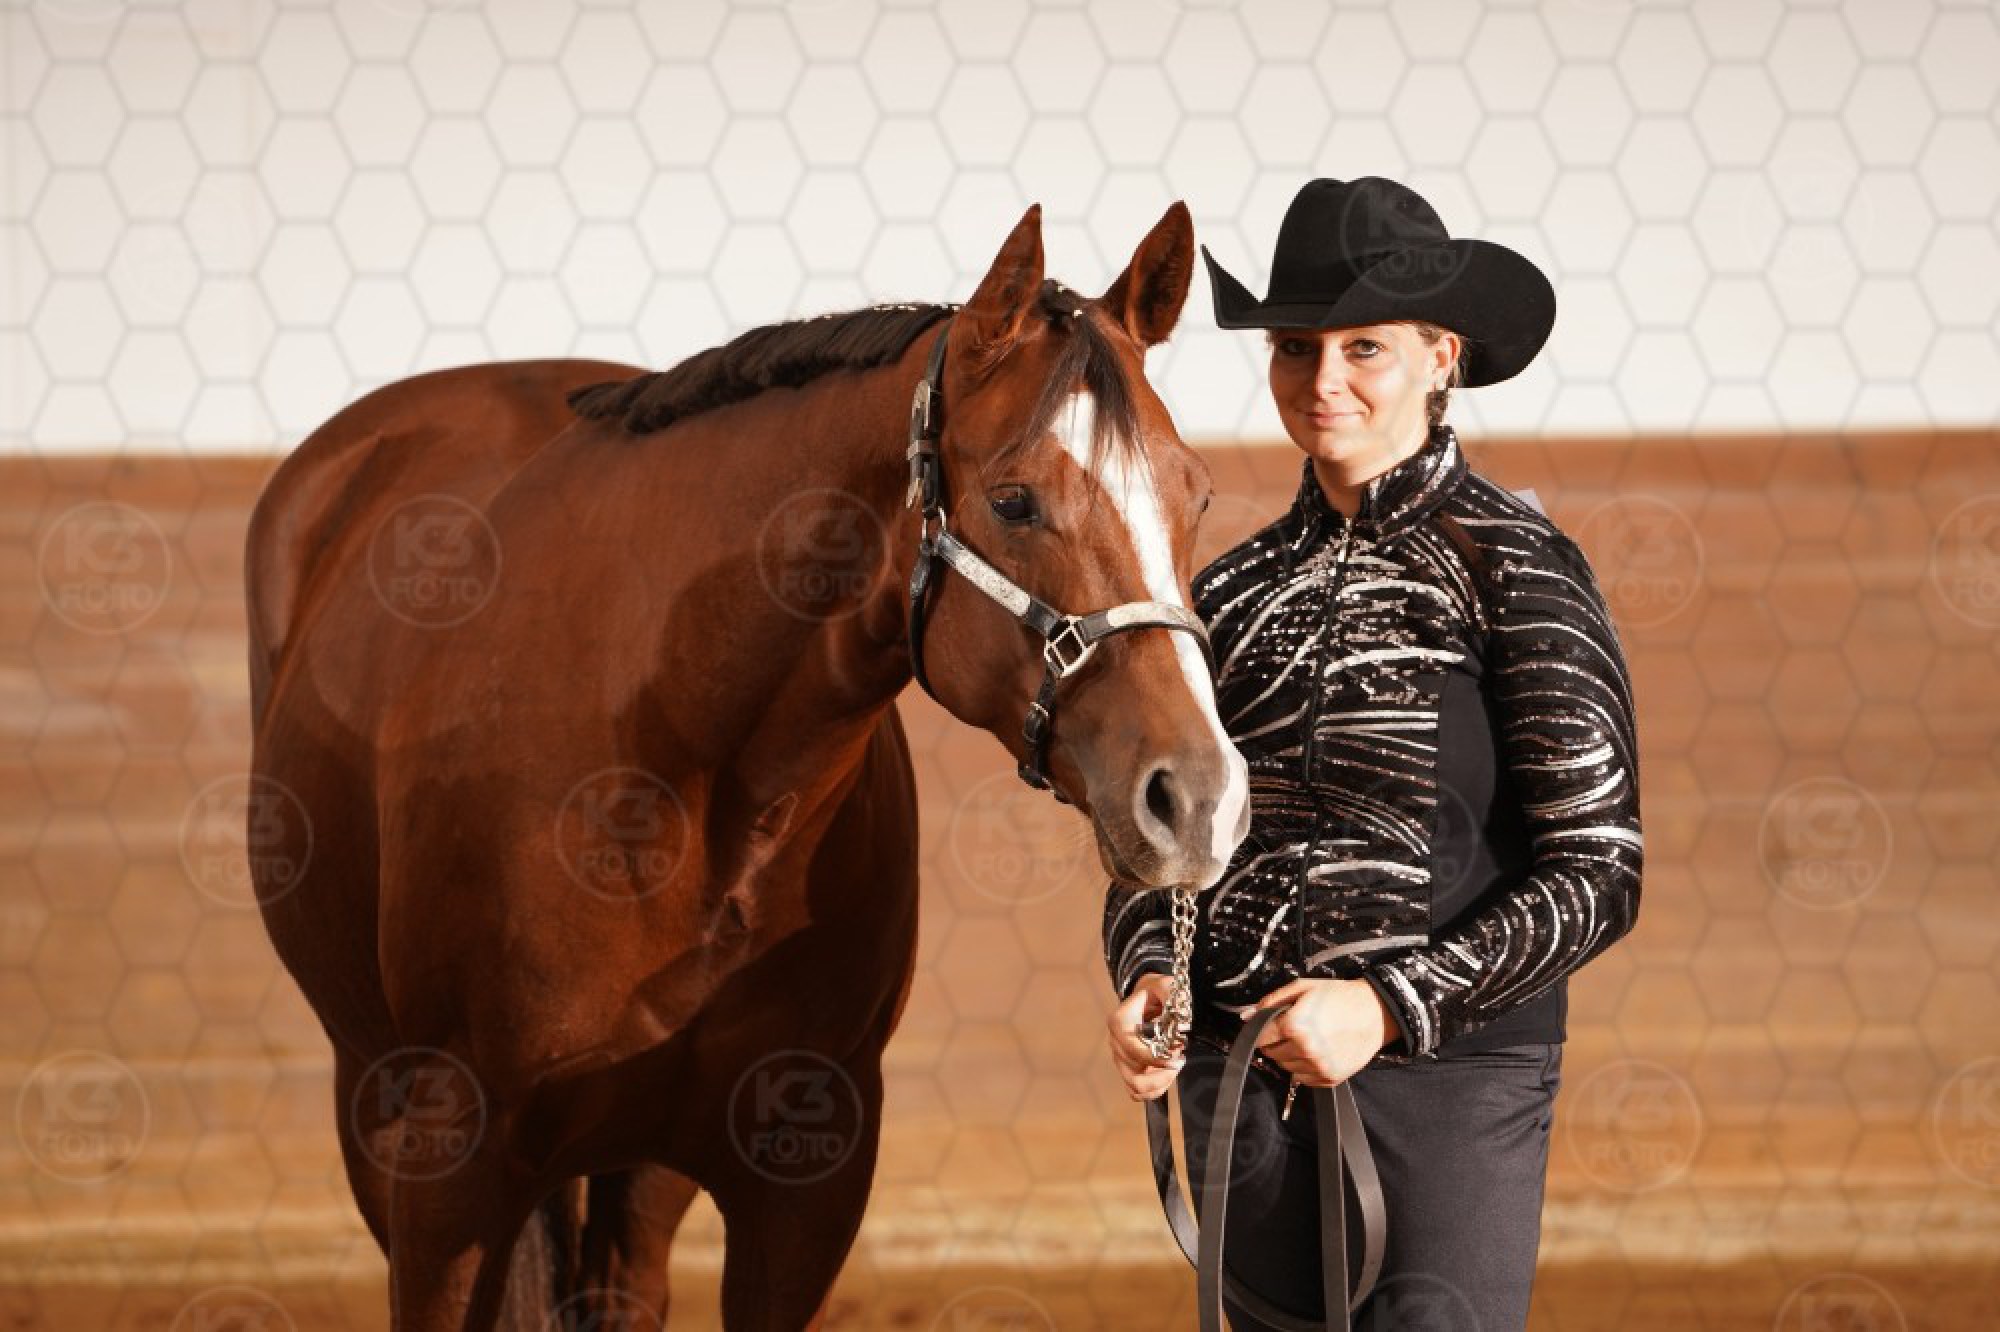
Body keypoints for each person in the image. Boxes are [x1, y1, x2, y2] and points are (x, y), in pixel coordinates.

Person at [1100, 177, 1644, 1331]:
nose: (1321, 381)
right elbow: (1169, 849)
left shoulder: (1514, 566)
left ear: (1441, 356)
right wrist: (1151, 975)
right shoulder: (1229, 594)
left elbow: (1599, 870)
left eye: (1364, 348)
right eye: (1294, 347)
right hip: (1242, 1085)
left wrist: (1386, 1009)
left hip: (1446, 1086)